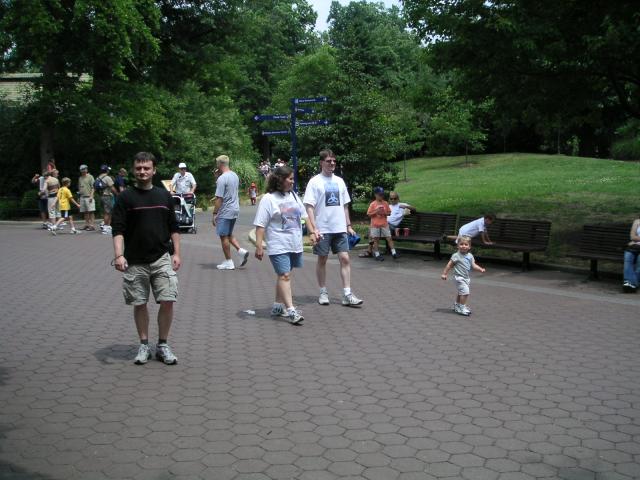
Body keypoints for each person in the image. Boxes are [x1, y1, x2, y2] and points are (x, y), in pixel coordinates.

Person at [111, 152, 181, 366]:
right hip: (134, 260)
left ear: (154, 170)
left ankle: (162, 344)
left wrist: (177, 253)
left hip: (161, 258)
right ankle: (144, 344)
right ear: (134, 170)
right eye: (139, 168)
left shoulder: (164, 196)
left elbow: (174, 228)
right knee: (139, 302)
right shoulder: (125, 198)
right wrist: (119, 255)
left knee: (168, 300)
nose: (142, 172)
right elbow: (118, 229)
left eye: (146, 168)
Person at [304, 149, 363, 307]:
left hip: (339, 228)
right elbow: (309, 207)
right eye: (329, 161)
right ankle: (323, 292)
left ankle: (347, 294)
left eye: (334, 161)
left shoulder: (340, 181)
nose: (332, 163)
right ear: (321, 162)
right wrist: (313, 229)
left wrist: (348, 225)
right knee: (322, 259)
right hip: (322, 228)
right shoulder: (314, 181)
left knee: (345, 258)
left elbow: (344, 206)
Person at [253, 166, 307, 324]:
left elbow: (304, 216)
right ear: (280, 180)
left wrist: (313, 231)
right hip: (278, 244)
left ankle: (277, 306)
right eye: (290, 178)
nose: (292, 181)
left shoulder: (294, 196)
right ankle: (291, 310)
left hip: (294, 243)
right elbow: (260, 225)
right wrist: (259, 245)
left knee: (284, 274)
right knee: (285, 275)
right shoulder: (269, 199)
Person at [212, 154, 250, 270]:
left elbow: (219, 198)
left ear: (219, 164)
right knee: (228, 234)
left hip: (226, 210)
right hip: (235, 208)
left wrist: (214, 213)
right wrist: (217, 177)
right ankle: (241, 251)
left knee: (223, 236)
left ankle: (228, 261)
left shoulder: (222, 178)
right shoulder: (234, 175)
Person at [441, 235, 486, 316]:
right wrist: (444, 274)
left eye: (466, 244)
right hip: (458, 277)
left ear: (469, 246)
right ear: (458, 246)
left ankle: (457, 305)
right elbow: (449, 265)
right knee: (465, 293)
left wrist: (480, 269)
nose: (463, 246)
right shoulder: (456, 255)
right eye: (461, 244)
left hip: (466, 277)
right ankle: (462, 307)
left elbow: (474, 265)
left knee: (461, 292)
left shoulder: (470, 256)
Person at [366, 186, 398, 261]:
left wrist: (384, 213)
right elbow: (369, 214)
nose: (381, 196)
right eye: (380, 195)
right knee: (376, 240)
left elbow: (389, 213)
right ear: (376, 195)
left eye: (382, 194)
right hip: (375, 225)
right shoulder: (373, 204)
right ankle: (377, 254)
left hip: (384, 224)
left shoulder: (385, 203)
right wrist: (376, 211)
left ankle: (394, 253)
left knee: (389, 238)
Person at [96, 165, 117, 235]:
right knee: (108, 212)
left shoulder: (98, 177)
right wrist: (118, 194)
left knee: (106, 212)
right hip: (107, 196)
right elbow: (112, 188)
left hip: (101, 196)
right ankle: (106, 227)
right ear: (107, 170)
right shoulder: (107, 178)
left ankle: (107, 226)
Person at [623, 217, 640, 292]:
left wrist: (637, 238)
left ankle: (631, 284)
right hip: (635, 247)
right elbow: (632, 237)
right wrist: (634, 239)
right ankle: (631, 283)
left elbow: (635, 238)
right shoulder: (637, 221)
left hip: (635, 244)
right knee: (628, 256)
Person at [78, 165, 96, 231]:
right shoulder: (80, 178)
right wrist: (78, 196)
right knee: (85, 212)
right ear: (80, 170)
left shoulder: (90, 177)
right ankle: (87, 224)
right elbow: (80, 187)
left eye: (85, 169)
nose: (84, 170)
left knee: (91, 211)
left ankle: (92, 225)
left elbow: (93, 187)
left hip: (89, 196)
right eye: (83, 169)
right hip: (82, 197)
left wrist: (91, 196)